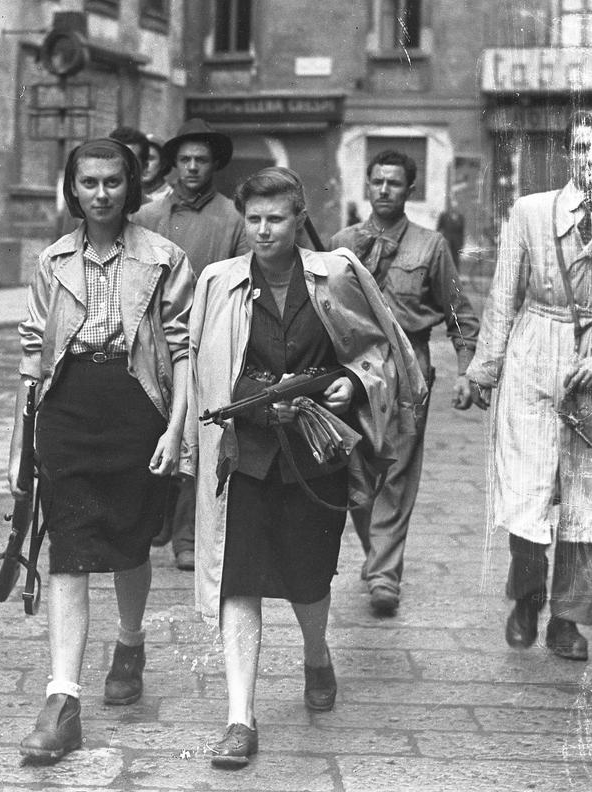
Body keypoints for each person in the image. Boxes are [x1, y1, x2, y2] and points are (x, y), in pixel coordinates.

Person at [190, 167, 426, 767]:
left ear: (299, 220)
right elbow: (197, 362)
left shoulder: (338, 274)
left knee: (307, 579)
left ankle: (316, 652)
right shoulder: (218, 281)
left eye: (276, 219)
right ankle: (240, 718)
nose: (263, 231)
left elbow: (379, 349)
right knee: (238, 581)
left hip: (314, 454)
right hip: (245, 453)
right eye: (254, 220)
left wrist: (349, 381)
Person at [463, 109, 592, 662]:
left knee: (587, 499)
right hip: (534, 354)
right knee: (527, 491)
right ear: (568, 155)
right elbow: (504, 294)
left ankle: (569, 620)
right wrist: (485, 369)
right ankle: (526, 598)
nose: (591, 159)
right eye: (581, 148)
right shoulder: (531, 213)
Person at [12, 137, 193, 762]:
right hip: (68, 406)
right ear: (73, 188)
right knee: (68, 544)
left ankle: (131, 638)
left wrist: (176, 429)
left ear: (131, 186)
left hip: (135, 403)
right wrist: (21, 438)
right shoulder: (53, 260)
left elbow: (182, 349)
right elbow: (33, 354)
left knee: (130, 540)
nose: (100, 194)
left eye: (113, 182)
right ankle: (62, 701)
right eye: (88, 183)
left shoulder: (165, 257)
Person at [330, 150, 481, 617]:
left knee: (396, 471)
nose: (384, 190)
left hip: (408, 365)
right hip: (353, 368)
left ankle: (383, 574)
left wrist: (466, 369)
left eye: (394, 183)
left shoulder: (430, 246)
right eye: (376, 182)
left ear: (409, 190)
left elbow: (460, 313)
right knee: (354, 468)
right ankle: (377, 554)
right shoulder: (342, 243)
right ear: (367, 186)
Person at [135, 118, 250, 571]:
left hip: (206, 337)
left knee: (196, 435)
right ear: (172, 165)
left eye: (201, 160)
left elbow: (242, 279)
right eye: (184, 160)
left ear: (214, 165)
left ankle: (186, 535)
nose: (192, 168)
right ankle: (153, 524)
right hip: (151, 339)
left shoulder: (232, 218)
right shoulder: (147, 215)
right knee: (151, 428)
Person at [141, 133, 173, 206]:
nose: (144, 165)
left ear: (163, 164)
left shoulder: (173, 197)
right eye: (141, 158)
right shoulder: (128, 197)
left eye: (150, 158)